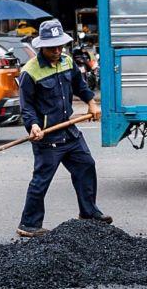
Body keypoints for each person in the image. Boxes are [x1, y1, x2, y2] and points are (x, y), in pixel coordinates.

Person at [16, 19, 108, 238]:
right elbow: (26, 105)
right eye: (52, 48)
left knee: (86, 165)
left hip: (70, 132)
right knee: (41, 180)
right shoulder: (30, 72)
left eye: (60, 46)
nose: (57, 51)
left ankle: (88, 212)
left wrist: (91, 102)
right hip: (48, 137)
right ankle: (29, 224)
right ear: (41, 47)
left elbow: (79, 85)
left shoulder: (67, 62)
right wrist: (34, 125)